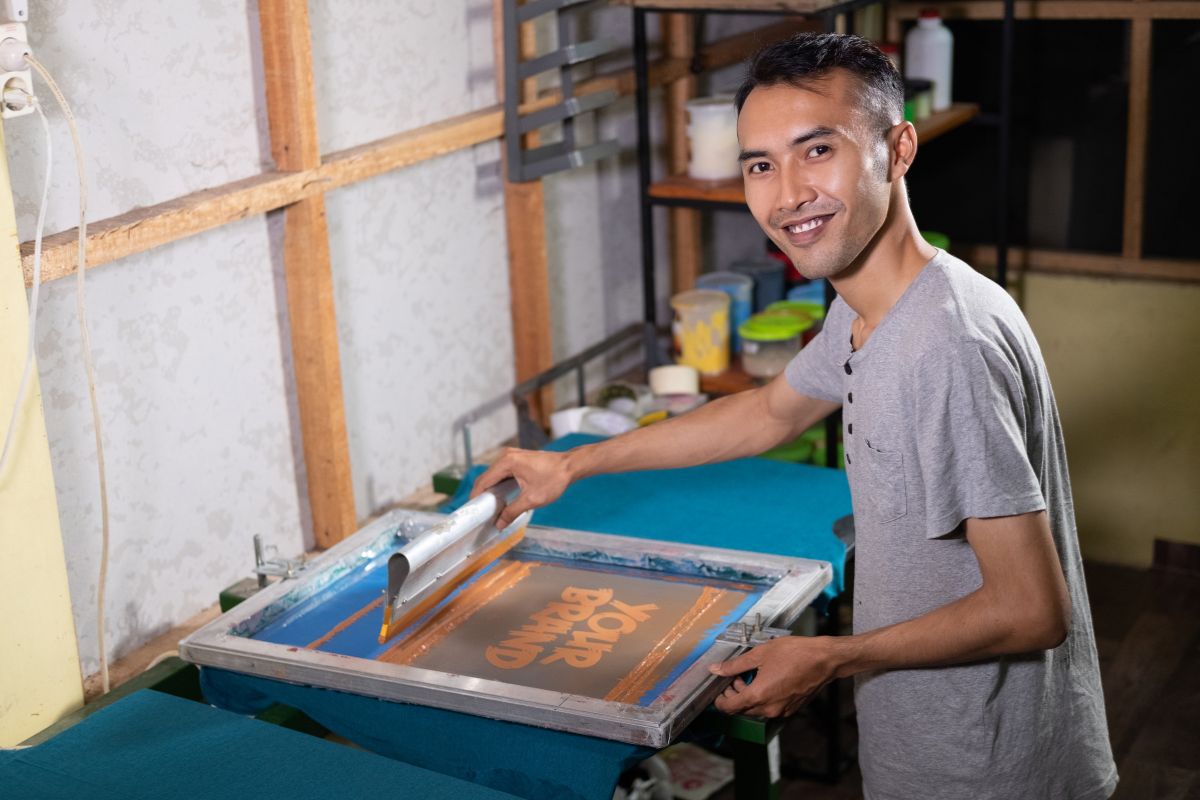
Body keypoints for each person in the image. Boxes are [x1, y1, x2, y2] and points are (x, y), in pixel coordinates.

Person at [472, 33, 1116, 800]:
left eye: (818, 151)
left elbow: (1032, 609)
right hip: (938, 742)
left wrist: (830, 656)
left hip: (990, 767)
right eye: (760, 165)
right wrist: (571, 464)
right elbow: (769, 411)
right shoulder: (867, 304)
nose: (787, 196)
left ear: (898, 148)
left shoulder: (945, 346)